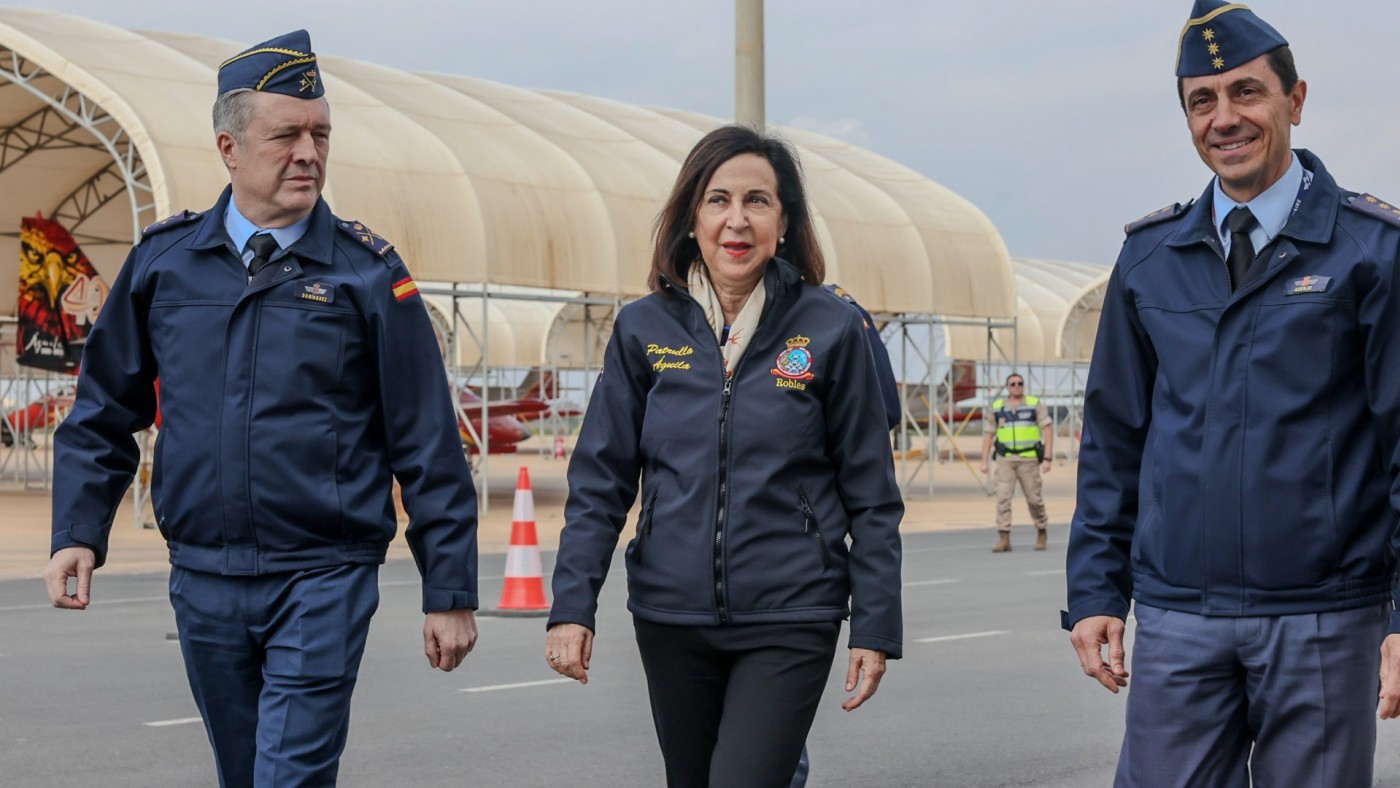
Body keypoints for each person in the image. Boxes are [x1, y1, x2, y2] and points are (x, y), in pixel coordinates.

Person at [43, 30, 480, 787]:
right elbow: (104, 408)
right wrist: (78, 530)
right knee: (244, 775)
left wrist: (450, 591)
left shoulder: (367, 275)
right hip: (203, 577)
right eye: (286, 135)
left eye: (320, 134)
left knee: (288, 778)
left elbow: (427, 438)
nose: (308, 152)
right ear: (229, 147)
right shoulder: (164, 264)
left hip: (322, 576)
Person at [1064, 2, 1400, 784]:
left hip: (1324, 617)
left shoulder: (1371, 254)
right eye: (1202, 100)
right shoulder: (1150, 260)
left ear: (1296, 99)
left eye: (1246, 92)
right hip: (1180, 620)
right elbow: (1113, 440)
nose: (1225, 118)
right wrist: (1094, 592)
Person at [545, 124, 904, 787]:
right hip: (670, 614)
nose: (736, 220)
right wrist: (573, 605)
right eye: (718, 200)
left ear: (784, 220)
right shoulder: (643, 329)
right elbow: (601, 481)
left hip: (792, 612)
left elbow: (872, 494)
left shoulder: (830, 328)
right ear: (691, 216)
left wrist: (875, 625)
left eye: (758, 201)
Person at [980, 372, 1053, 552]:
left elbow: (1048, 430)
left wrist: (1047, 458)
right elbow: (989, 434)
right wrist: (984, 461)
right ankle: (1004, 536)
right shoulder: (997, 407)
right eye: (1012, 384)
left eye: (1019, 383)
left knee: (1034, 498)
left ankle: (1041, 530)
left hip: (1028, 459)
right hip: (1005, 460)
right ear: (1007, 387)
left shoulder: (1034, 405)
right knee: (1002, 497)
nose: (1016, 386)